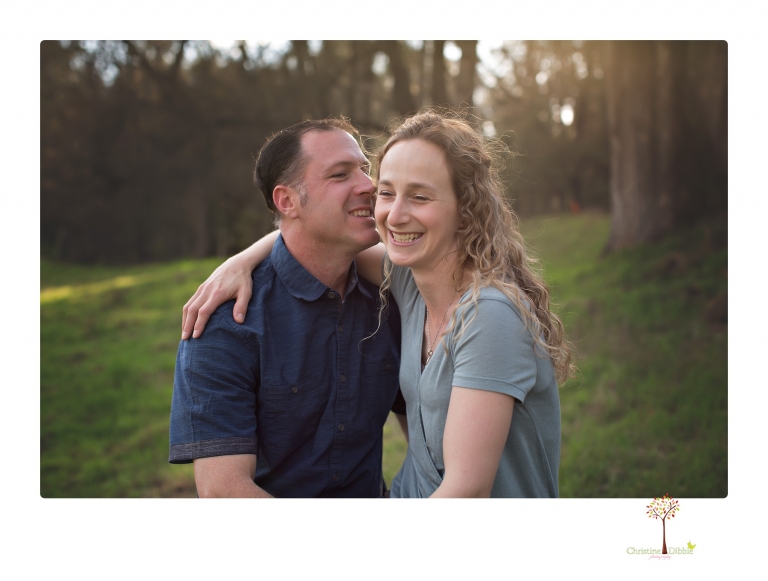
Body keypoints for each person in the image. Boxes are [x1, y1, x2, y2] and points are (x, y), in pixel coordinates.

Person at [185, 110, 574, 497]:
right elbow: (307, 243)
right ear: (287, 201)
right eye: (386, 191)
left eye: (419, 196)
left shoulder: (467, 309)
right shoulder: (407, 283)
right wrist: (240, 261)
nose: (385, 204)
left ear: (466, 208)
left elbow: (465, 491)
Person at [169, 118, 406, 498]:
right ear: (287, 201)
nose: (369, 185)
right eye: (340, 174)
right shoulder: (226, 322)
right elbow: (224, 491)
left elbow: (426, 441)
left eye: (365, 169)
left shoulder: (392, 299)